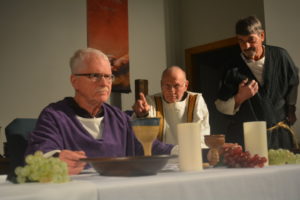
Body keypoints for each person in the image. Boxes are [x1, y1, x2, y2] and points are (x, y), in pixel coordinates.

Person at [26, 48, 174, 175]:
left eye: (108, 76)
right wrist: (56, 159)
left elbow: (149, 146)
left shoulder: (119, 118)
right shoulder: (55, 116)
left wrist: (184, 151)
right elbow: (39, 154)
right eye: (95, 76)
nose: (104, 83)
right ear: (74, 81)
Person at [215, 16, 299, 150]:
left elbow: (293, 81)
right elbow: (220, 105)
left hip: (280, 135)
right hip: (247, 139)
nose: (246, 46)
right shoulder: (232, 68)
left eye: (251, 40)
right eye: (241, 41)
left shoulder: (280, 56)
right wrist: (240, 97)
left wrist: (291, 108)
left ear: (262, 36)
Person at [132, 66, 210, 149]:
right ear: (161, 85)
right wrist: (142, 115)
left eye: (176, 86)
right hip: (161, 157)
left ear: (186, 85)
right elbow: (142, 134)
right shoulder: (152, 102)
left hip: (189, 155)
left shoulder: (196, 101)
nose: (172, 90)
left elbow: (202, 136)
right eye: (167, 86)